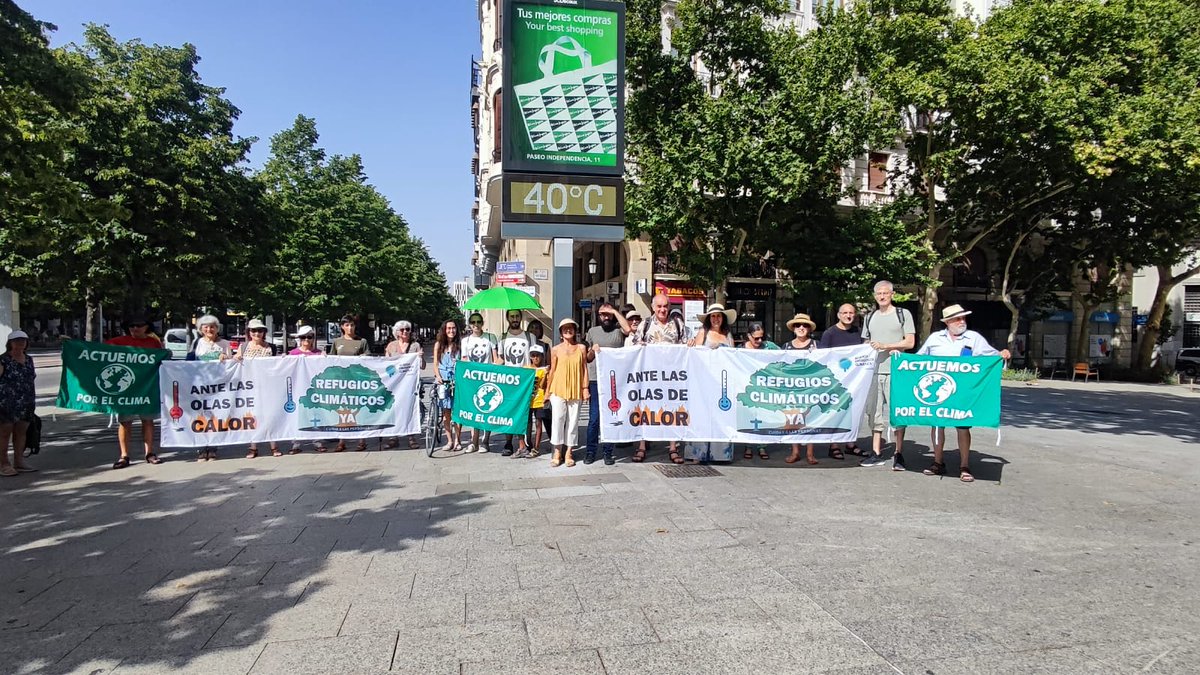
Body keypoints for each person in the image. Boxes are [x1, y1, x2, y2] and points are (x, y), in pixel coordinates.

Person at [917, 304, 1010, 483]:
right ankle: (938, 462)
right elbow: (919, 360)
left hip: (964, 392)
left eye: (963, 318)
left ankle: (964, 465)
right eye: (957, 319)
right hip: (941, 391)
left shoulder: (974, 338)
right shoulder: (935, 338)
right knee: (937, 425)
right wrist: (901, 359)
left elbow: (991, 357)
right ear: (948, 322)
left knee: (963, 426)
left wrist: (1002, 355)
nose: (962, 321)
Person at [860, 281, 916, 469]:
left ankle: (898, 453)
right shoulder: (869, 317)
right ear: (874, 296)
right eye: (878, 294)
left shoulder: (903, 314)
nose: (882, 296)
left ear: (892, 294)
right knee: (873, 412)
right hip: (874, 372)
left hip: (896, 372)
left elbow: (909, 342)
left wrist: (888, 346)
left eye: (885, 293)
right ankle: (875, 452)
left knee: (897, 412)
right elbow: (866, 343)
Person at [630, 293, 686, 464]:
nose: (663, 310)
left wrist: (690, 344)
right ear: (653, 307)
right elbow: (634, 347)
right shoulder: (645, 325)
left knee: (672, 411)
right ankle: (641, 446)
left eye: (665, 306)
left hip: (672, 377)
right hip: (649, 377)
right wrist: (638, 346)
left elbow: (685, 346)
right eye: (659, 306)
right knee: (645, 410)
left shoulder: (677, 324)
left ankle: (673, 448)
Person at [106, 317, 164, 468]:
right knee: (125, 422)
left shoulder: (153, 343)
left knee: (148, 421)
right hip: (125, 390)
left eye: (139, 325)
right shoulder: (117, 342)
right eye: (131, 325)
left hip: (147, 388)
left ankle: (149, 453)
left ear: (147, 327)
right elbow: (96, 352)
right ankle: (124, 455)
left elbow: (161, 361)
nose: (135, 328)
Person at [584, 301, 630, 465]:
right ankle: (590, 451)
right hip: (596, 380)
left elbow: (628, 329)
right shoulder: (592, 331)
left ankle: (608, 451)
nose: (605, 317)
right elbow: (587, 358)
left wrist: (615, 311)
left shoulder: (618, 331)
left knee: (611, 416)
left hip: (614, 382)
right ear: (598, 316)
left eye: (608, 314)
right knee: (594, 418)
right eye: (603, 314)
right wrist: (592, 351)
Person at [818, 303, 867, 459]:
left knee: (853, 411)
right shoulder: (829, 333)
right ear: (838, 315)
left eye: (851, 313)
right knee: (836, 411)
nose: (848, 315)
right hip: (835, 380)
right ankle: (834, 445)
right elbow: (823, 357)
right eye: (844, 312)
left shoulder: (859, 333)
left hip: (854, 380)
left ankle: (850, 444)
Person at [545, 318, 588, 468]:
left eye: (571, 328)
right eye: (565, 329)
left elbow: (584, 369)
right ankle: (557, 451)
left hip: (576, 388)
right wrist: (547, 391)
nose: (568, 330)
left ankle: (569, 451)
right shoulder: (555, 349)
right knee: (558, 419)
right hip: (558, 388)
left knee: (573, 420)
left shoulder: (582, 348)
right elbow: (552, 370)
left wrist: (585, 388)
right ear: (561, 332)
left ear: (575, 331)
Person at [190, 315, 232, 462]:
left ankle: (213, 447)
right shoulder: (197, 342)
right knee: (201, 416)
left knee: (216, 416)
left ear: (217, 328)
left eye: (212, 326)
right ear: (201, 329)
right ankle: (202, 448)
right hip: (200, 386)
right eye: (206, 327)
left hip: (218, 386)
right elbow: (189, 363)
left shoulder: (225, 343)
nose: (209, 329)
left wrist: (226, 358)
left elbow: (231, 365)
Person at [237, 319, 281, 458]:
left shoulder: (271, 347)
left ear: (264, 332)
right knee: (252, 417)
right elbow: (235, 362)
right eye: (253, 330)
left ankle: (273, 446)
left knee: (269, 416)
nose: (257, 333)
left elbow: (278, 365)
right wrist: (235, 358)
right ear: (249, 332)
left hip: (267, 387)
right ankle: (253, 447)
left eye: (260, 330)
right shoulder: (243, 347)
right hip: (249, 388)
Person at [783, 313, 820, 466]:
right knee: (793, 419)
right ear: (793, 328)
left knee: (811, 419)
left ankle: (810, 453)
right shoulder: (786, 346)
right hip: (793, 389)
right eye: (798, 325)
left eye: (805, 325)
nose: (801, 328)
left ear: (809, 328)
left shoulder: (817, 345)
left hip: (811, 388)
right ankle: (795, 451)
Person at [498, 310, 536, 456]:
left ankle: (526, 442)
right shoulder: (502, 338)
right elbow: (501, 359)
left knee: (525, 414)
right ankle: (508, 443)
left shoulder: (529, 336)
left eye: (517, 316)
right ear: (507, 318)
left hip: (525, 381)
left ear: (521, 318)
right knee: (508, 412)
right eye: (512, 316)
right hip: (508, 381)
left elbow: (534, 358)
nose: (515, 319)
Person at [0, 331, 36, 477]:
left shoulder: (28, 359)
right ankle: (3, 463)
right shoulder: (3, 360)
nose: (20, 343)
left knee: (21, 432)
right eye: (17, 340)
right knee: (4, 433)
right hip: (5, 402)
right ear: (10, 343)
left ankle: (19, 461)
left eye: (23, 340)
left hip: (26, 401)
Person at [461, 312, 498, 452]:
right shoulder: (466, 341)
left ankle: (485, 440)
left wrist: (496, 367)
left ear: (483, 323)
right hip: (472, 380)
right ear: (470, 324)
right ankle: (473, 441)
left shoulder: (490, 338)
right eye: (473, 322)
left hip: (488, 378)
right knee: (473, 410)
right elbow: (464, 359)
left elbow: (497, 358)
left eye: (478, 321)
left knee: (487, 409)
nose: (476, 324)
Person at [385, 320, 425, 449]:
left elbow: (423, 366)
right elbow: (385, 365)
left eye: (407, 329)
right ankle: (393, 436)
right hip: (395, 383)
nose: (405, 332)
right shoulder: (391, 346)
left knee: (410, 408)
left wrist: (421, 357)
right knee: (394, 408)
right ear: (397, 332)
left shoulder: (415, 346)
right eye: (402, 330)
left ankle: (411, 435)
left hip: (410, 383)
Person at [331, 315, 369, 451]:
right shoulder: (337, 342)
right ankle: (342, 440)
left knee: (359, 409)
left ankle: (362, 439)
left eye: (352, 325)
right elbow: (331, 360)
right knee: (343, 410)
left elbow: (368, 359)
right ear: (342, 327)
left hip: (357, 380)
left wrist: (363, 358)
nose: (350, 328)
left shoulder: (362, 341)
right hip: (342, 381)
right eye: (347, 325)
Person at [740, 322, 777, 461]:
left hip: (764, 388)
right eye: (756, 338)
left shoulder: (769, 346)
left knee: (763, 416)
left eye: (762, 337)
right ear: (748, 336)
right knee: (748, 416)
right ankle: (748, 445)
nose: (760, 341)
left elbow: (786, 354)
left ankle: (762, 446)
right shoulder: (740, 349)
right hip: (747, 388)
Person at [287, 325, 325, 453]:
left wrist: (326, 358)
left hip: (313, 390)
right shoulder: (293, 354)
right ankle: (296, 443)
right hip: (298, 389)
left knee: (315, 414)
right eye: (304, 337)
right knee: (297, 415)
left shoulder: (318, 353)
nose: (307, 340)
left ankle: (317, 441)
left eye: (310, 337)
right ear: (299, 338)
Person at [433, 319, 463, 452]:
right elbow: (435, 364)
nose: (451, 331)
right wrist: (438, 377)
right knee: (446, 413)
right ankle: (449, 440)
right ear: (444, 330)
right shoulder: (439, 345)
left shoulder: (461, 345)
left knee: (457, 412)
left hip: (457, 381)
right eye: (449, 328)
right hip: (443, 380)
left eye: (453, 328)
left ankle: (458, 439)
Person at [518, 344, 549, 458]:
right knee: (527, 424)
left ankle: (536, 447)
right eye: (533, 355)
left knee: (538, 423)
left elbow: (542, 386)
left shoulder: (544, 369)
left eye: (538, 356)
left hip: (539, 401)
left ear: (542, 356)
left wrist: (545, 374)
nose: (535, 358)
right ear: (530, 356)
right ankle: (528, 445)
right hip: (527, 401)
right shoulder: (526, 368)